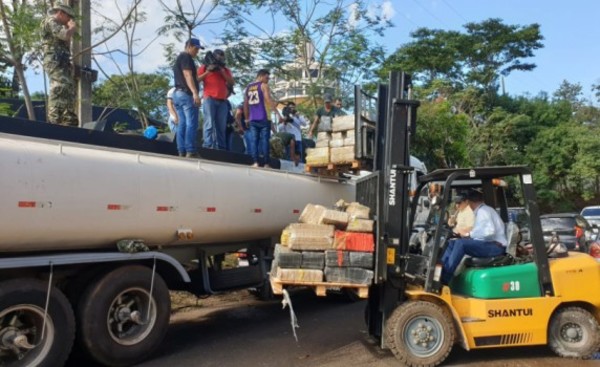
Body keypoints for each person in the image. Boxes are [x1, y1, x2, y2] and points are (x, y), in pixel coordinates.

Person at [440, 189, 507, 284]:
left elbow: (489, 232)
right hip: (489, 244)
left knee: (461, 244)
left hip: (495, 246)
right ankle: (440, 271)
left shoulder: (483, 211)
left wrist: (469, 235)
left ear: (469, 201)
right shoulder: (481, 211)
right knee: (451, 243)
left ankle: (445, 278)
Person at [41, 4, 78, 126]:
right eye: (68, 17)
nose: (69, 20)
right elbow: (65, 35)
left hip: (62, 61)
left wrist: (69, 63)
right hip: (54, 61)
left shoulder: (59, 25)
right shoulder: (51, 21)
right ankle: (54, 119)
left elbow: (65, 43)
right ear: (61, 13)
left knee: (68, 88)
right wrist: (72, 28)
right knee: (59, 86)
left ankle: (68, 119)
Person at [243, 69, 282, 168]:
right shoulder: (263, 85)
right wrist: (278, 114)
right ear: (260, 76)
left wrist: (247, 118)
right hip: (264, 117)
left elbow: (245, 104)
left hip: (252, 118)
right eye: (266, 77)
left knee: (254, 141)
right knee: (265, 141)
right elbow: (268, 99)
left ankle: (255, 162)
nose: (268, 80)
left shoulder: (248, 87)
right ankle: (266, 163)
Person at [198, 49, 235, 150]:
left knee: (221, 126)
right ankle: (207, 145)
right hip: (209, 99)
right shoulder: (204, 67)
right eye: (218, 57)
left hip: (222, 101)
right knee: (209, 123)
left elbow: (231, 82)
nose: (220, 59)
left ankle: (221, 147)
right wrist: (208, 71)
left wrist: (222, 71)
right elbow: (196, 79)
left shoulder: (225, 70)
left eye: (222, 58)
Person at [173, 38, 204, 157]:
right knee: (192, 123)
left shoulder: (179, 58)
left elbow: (195, 79)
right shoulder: (186, 57)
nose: (197, 52)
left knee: (182, 123)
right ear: (189, 46)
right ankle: (190, 150)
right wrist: (195, 93)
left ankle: (181, 150)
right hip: (186, 94)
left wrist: (207, 73)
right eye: (196, 49)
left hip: (178, 93)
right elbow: (187, 75)